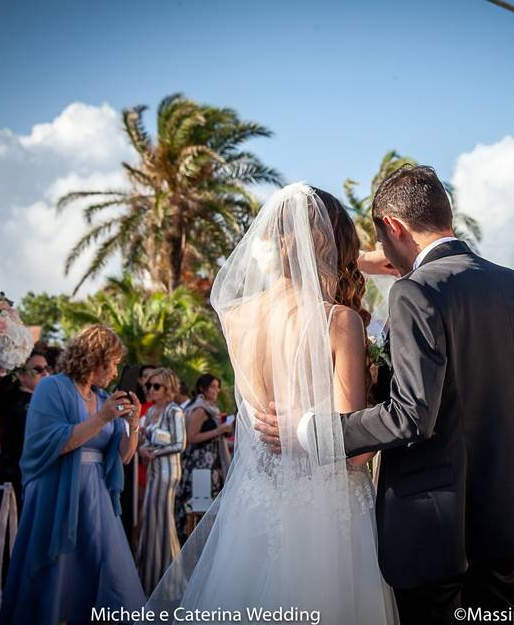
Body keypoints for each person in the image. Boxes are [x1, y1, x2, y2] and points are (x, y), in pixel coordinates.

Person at [256, 167, 514, 622]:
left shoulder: (417, 291)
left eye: (380, 238)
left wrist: (308, 429)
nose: (381, 253)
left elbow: (410, 416)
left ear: (394, 227)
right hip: (509, 517)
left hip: (435, 524)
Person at [146, 183, 398, 624]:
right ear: (329, 245)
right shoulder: (338, 321)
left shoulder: (236, 317)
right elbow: (354, 453)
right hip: (326, 510)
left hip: (255, 501)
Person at [0, 325, 144, 625]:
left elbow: (124, 456)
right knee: (58, 578)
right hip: (57, 492)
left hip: (97, 499)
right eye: (112, 361)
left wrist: (133, 422)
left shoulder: (103, 397)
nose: (115, 370)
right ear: (95, 357)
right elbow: (53, 441)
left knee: (110, 575)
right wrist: (103, 417)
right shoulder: (53, 388)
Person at [135, 367, 186, 593]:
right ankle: (149, 576)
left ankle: (169, 581)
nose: (152, 390)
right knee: (150, 520)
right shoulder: (150, 412)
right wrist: (143, 450)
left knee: (162, 520)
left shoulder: (174, 411)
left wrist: (152, 452)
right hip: (154, 469)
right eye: (149, 385)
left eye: (157, 386)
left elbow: (180, 444)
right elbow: (144, 441)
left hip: (168, 472)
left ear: (168, 388)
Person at [175, 374, 232, 542]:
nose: (216, 390)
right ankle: (194, 542)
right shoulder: (199, 409)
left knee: (208, 505)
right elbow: (191, 437)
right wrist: (219, 430)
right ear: (202, 388)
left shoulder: (211, 408)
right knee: (198, 506)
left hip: (210, 463)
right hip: (199, 464)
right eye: (212, 386)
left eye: (217, 386)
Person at [0, 351, 49, 507]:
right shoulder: (25, 404)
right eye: (38, 370)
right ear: (22, 376)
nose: (45, 373)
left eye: (46, 368)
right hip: (17, 479)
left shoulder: (21, 400)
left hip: (15, 476)